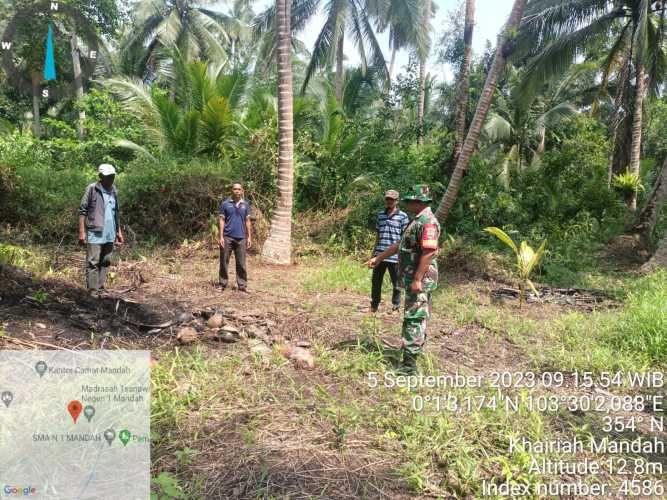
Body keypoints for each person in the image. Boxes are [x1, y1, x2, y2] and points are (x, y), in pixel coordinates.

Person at [366, 184, 440, 374]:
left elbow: (429, 252)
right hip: (412, 277)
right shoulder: (416, 221)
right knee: (417, 317)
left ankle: (409, 367)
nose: (406, 204)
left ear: (418, 202)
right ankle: (412, 353)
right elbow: (400, 243)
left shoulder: (428, 222)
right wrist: (379, 257)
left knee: (413, 318)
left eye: (409, 201)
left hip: (420, 280)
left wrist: (417, 279)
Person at [78, 163, 124, 297]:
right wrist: (82, 232)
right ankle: (93, 291)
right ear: (100, 176)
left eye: (112, 176)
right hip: (95, 232)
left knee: (106, 261)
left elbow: (116, 213)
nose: (111, 178)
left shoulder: (114, 190)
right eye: (108, 176)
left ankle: (101, 288)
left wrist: (118, 232)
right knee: (93, 262)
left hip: (110, 233)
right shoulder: (92, 189)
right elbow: (82, 211)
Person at [370, 190, 409, 313]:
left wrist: (402, 255)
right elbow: (378, 235)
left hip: (395, 256)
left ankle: (396, 306)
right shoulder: (380, 215)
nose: (389, 201)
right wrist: (374, 253)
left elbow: (405, 238)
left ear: (397, 201)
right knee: (376, 281)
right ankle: (374, 305)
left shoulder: (403, 216)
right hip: (380, 255)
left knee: (396, 283)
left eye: (392, 199)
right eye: (387, 199)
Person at [218, 182, 252, 292]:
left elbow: (247, 221)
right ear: (232, 190)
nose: (237, 191)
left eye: (239, 189)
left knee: (241, 263)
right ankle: (222, 284)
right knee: (224, 261)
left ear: (242, 191)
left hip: (241, 238)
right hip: (227, 237)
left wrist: (249, 237)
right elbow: (222, 220)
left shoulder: (245, 205)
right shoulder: (225, 204)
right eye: (235, 189)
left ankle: (242, 286)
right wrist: (221, 236)